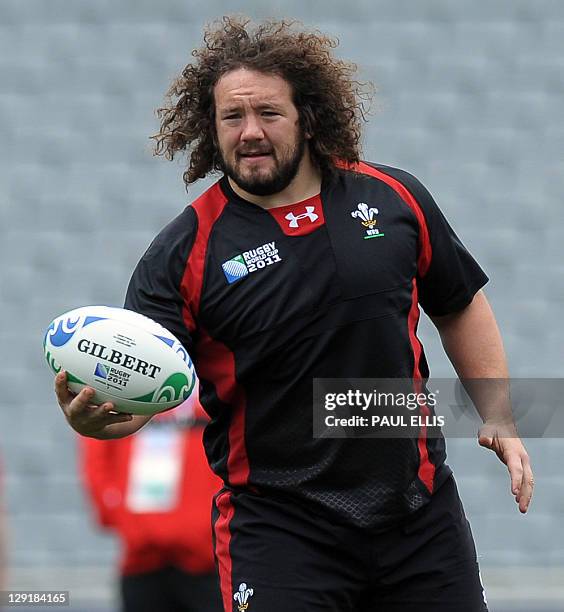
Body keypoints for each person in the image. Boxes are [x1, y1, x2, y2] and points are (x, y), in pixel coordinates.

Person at [55, 16, 534, 611]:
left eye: (269, 114)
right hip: (280, 530)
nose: (249, 132)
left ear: (308, 117)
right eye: (233, 117)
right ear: (211, 126)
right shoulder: (182, 255)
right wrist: (99, 420)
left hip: (417, 513)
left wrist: (499, 413)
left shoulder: (393, 198)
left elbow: (457, 302)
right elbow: (143, 388)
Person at [79, 395, 223, 612]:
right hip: (142, 557)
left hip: (211, 559)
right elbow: (97, 445)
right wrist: (121, 515)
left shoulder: (217, 374)